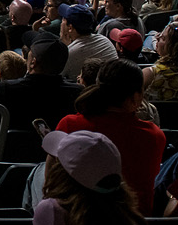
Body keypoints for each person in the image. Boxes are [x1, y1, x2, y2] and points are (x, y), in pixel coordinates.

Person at [55, 58, 165, 204]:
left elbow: (54, 180)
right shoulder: (154, 136)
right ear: (136, 96)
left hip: (77, 213)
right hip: (134, 216)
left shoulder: (69, 125)